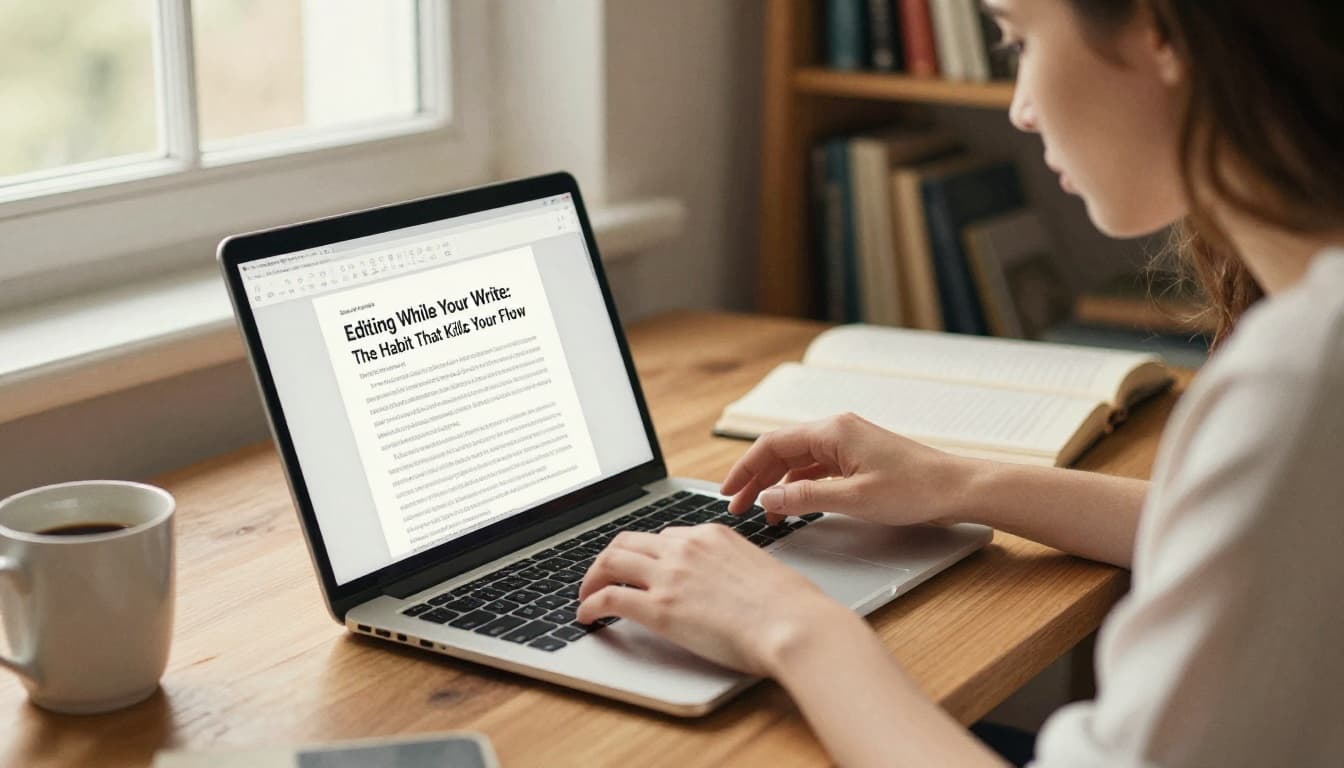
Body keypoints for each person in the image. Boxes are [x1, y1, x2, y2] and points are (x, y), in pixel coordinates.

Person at [577, 1, 1344, 764]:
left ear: (1160, 32)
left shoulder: (1300, 377)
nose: (1021, 109)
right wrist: (959, 483)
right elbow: (1260, 531)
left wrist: (789, 625)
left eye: (1019, 41)